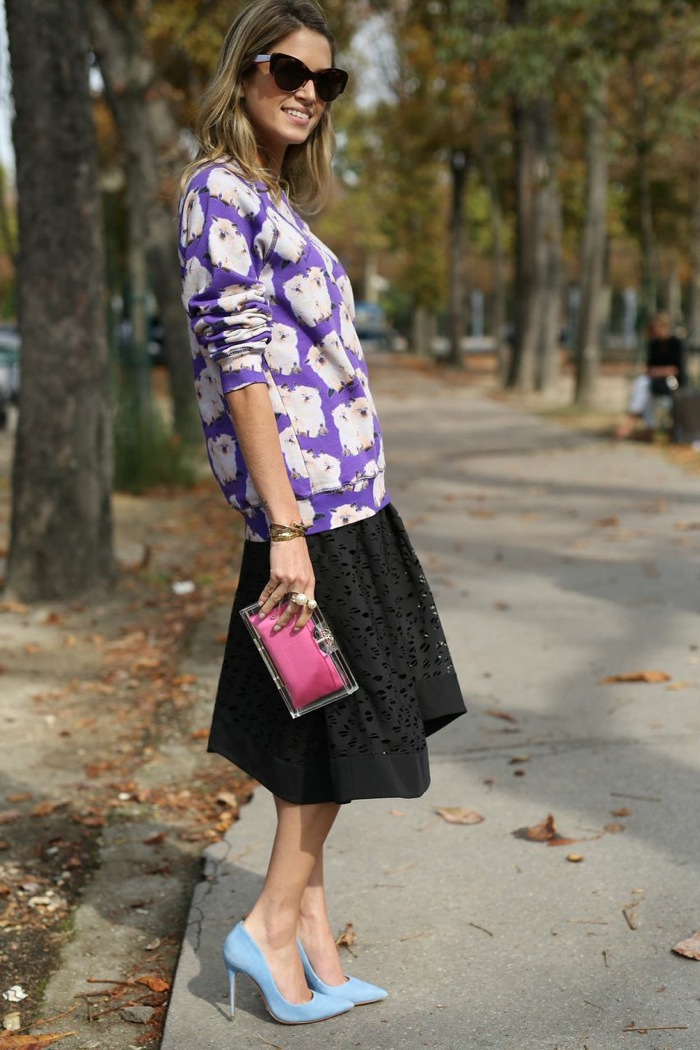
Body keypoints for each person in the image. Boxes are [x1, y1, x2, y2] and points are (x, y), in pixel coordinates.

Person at [178, 0, 466, 1027]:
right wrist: (287, 530)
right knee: (351, 725)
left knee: (317, 722)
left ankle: (311, 933)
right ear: (243, 73)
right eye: (287, 70)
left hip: (344, 502)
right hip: (311, 514)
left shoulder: (267, 197)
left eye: (325, 80)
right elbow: (242, 367)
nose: (307, 92)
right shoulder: (218, 192)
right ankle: (266, 928)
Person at [615, 312, 687, 439]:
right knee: (645, 389)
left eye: (657, 328)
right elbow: (650, 366)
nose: (655, 331)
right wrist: (649, 371)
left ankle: (633, 422)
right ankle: (649, 427)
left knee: (643, 384)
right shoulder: (654, 344)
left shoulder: (675, 343)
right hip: (654, 381)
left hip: (672, 382)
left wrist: (658, 372)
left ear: (665, 327)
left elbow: (677, 369)